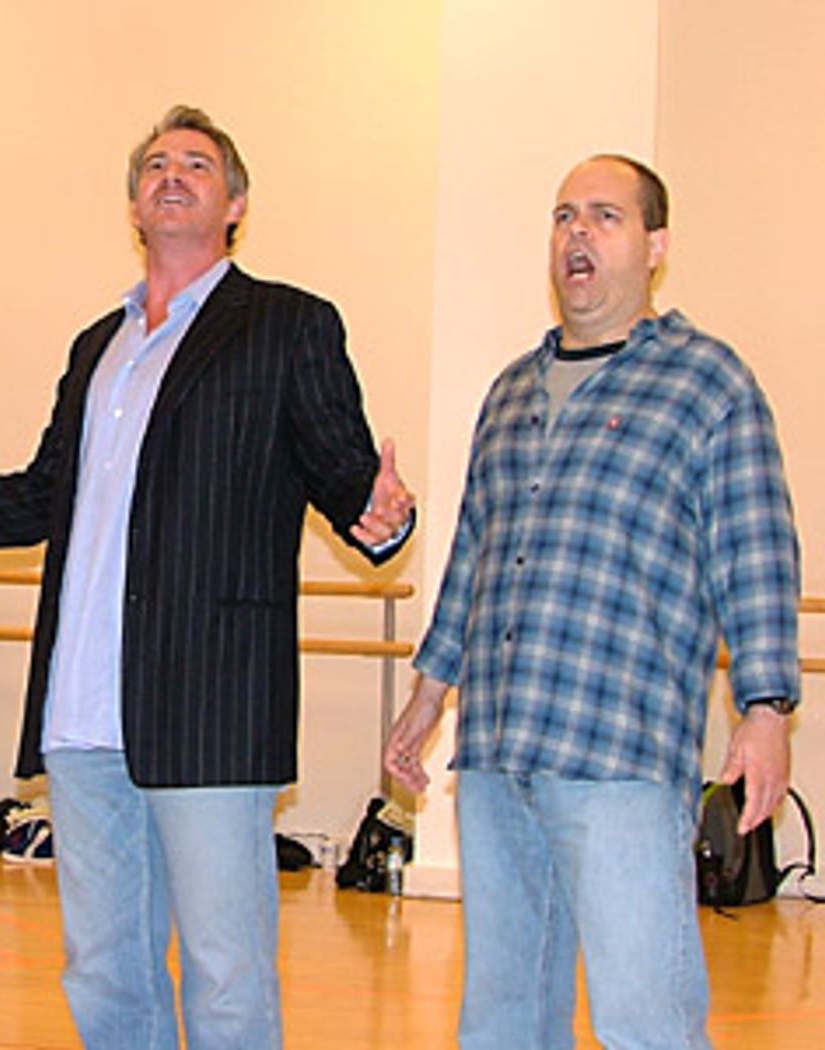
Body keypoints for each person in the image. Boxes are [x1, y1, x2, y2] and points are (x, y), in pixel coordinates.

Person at [0, 105, 414, 1050]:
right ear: (133, 204)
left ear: (234, 205)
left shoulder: (287, 325)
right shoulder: (96, 347)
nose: (172, 175)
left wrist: (382, 515)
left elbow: (345, 477)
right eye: (156, 164)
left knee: (227, 971)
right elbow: (47, 492)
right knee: (104, 967)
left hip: (212, 708)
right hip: (83, 712)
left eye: (197, 164)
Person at [384, 155, 800, 1049]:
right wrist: (427, 696)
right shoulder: (510, 392)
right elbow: (474, 553)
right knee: (502, 1018)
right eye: (565, 215)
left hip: (619, 757)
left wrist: (765, 710)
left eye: (606, 216)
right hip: (498, 755)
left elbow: (757, 552)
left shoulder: (708, 384)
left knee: (645, 1019)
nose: (578, 232)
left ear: (656, 246)